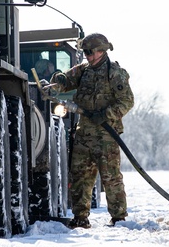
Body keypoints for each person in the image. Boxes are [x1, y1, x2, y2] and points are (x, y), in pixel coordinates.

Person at [45, 33, 134, 229]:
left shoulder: (115, 73)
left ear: (102, 51)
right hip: (84, 134)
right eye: (85, 52)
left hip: (106, 135)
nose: (88, 56)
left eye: (91, 52)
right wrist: (58, 81)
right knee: (80, 177)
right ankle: (80, 218)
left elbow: (127, 101)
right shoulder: (83, 71)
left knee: (111, 177)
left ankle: (118, 218)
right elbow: (66, 80)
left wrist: (105, 114)